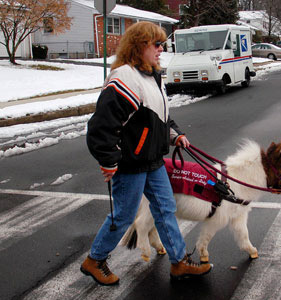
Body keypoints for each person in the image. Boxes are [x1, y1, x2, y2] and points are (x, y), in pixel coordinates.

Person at [81, 21, 212, 285]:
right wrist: (108, 160)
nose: (162, 49)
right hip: (130, 163)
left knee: (166, 208)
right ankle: (94, 260)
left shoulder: (151, 76)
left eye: (162, 43)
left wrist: (176, 135)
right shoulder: (125, 78)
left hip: (152, 161)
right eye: (157, 44)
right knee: (124, 215)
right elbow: (100, 127)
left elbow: (160, 117)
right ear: (140, 46)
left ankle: (179, 262)